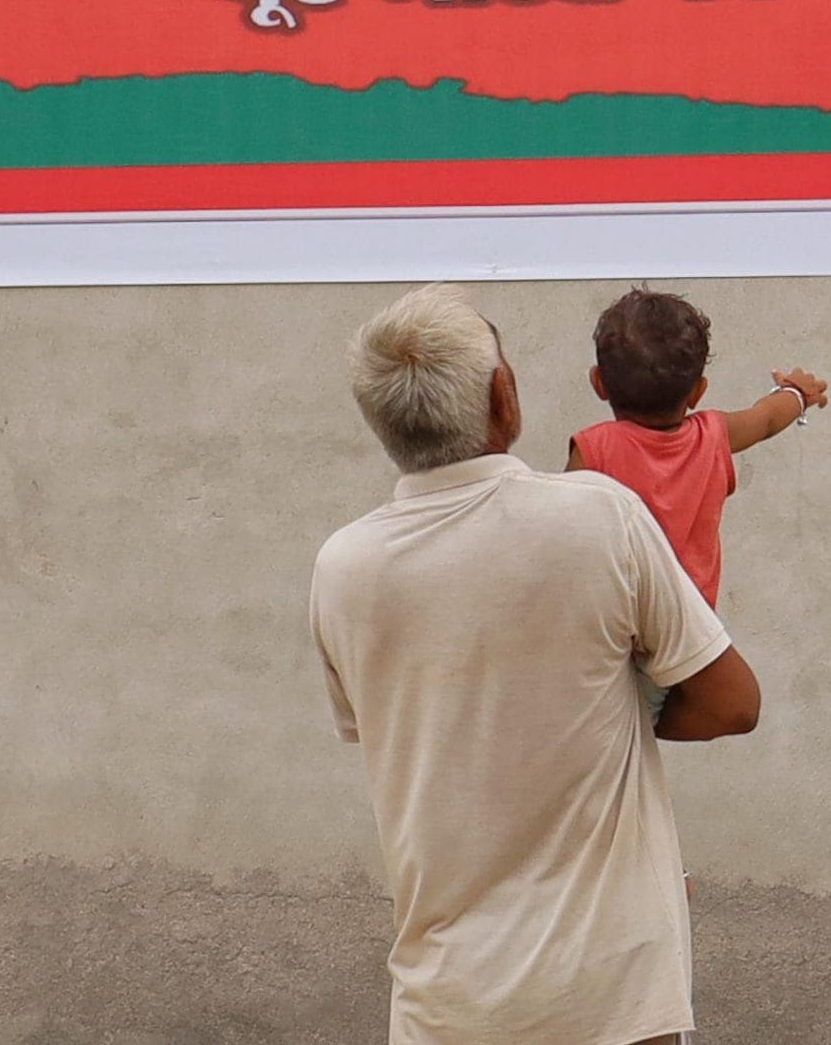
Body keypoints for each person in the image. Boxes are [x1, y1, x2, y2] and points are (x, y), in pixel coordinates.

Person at [312, 284, 760, 1045]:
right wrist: (625, 717)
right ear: (503, 395)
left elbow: (409, 729)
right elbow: (732, 704)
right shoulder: (596, 516)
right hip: (611, 994)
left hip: (448, 1002)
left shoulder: (344, 566)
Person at [569, 288, 828, 610]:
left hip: (617, 626)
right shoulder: (714, 435)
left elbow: (564, 535)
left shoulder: (594, 450)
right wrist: (798, 393)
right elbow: (767, 419)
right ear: (698, 392)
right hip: (694, 632)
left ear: (598, 383)